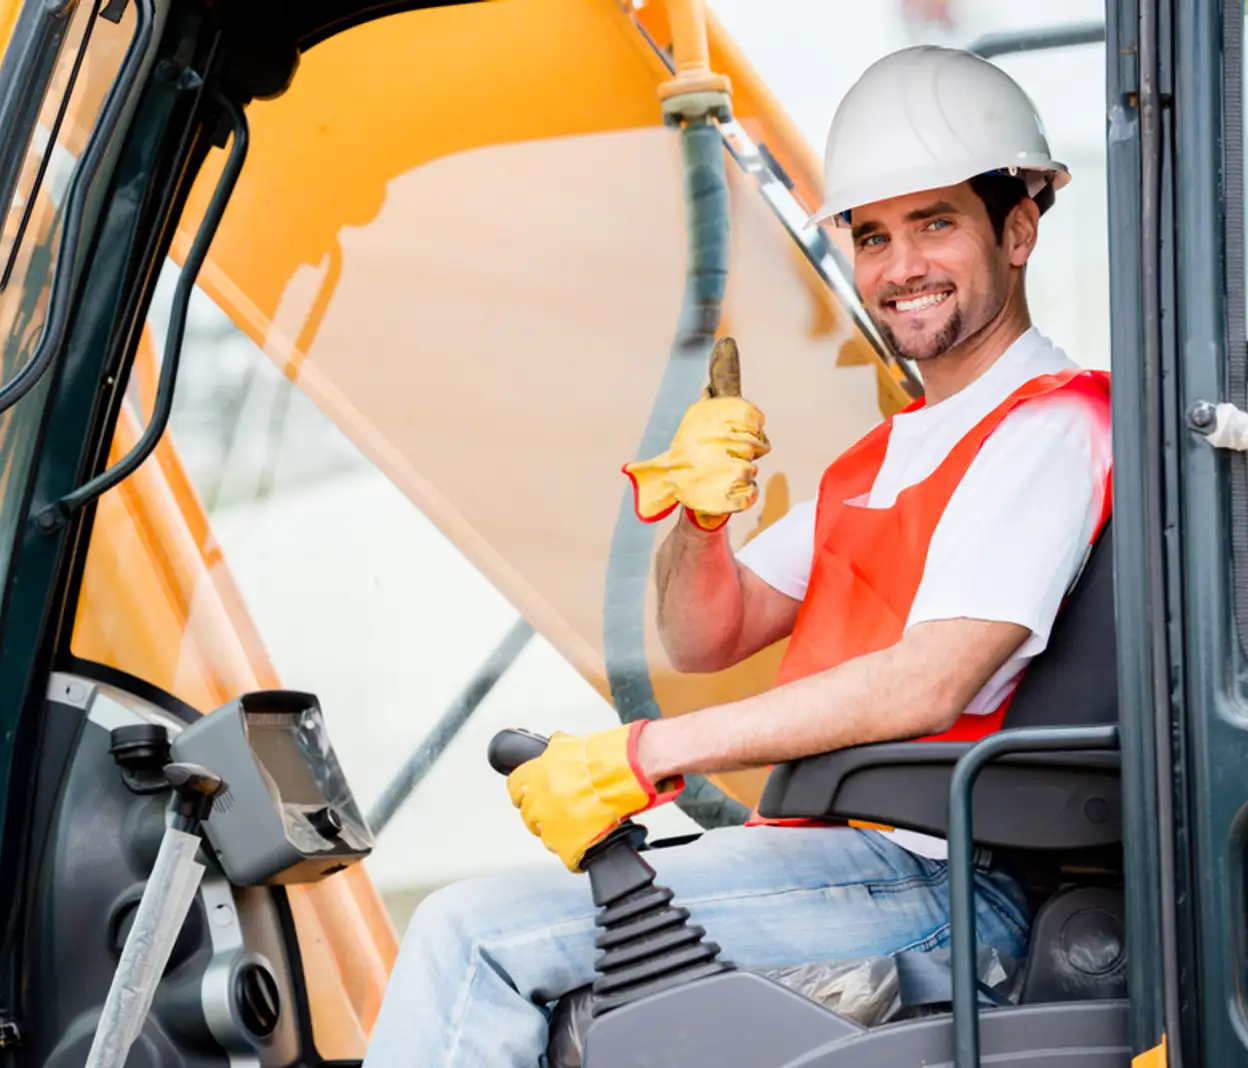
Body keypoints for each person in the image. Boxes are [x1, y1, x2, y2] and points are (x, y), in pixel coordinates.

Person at [361, 44, 1112, 1068]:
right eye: (874, 235)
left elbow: (931, 681)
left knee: (472, 941)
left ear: (1017, 228)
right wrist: (700, 520)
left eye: (936, 223)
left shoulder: (1050, 431)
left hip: (940, 884)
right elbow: (701, 636)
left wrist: (647, 755)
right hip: (834, 860)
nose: (899, 268)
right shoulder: (881, 457)